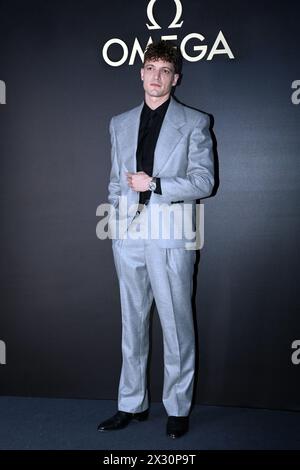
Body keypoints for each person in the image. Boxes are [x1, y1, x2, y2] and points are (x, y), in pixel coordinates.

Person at [98, 40, 214, 438]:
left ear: (175, 78)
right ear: (141, 73)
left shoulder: (195, 122)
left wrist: (157, 184)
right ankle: (131, 404)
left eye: (166, 70)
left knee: (176, 324)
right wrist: (118, 220)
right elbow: (116, 179)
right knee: (132, 323)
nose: (157, 77)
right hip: (128, 234)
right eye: (151, 68)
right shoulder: (119, 122)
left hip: (170, 234)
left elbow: (204, 182)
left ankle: (178, 408)